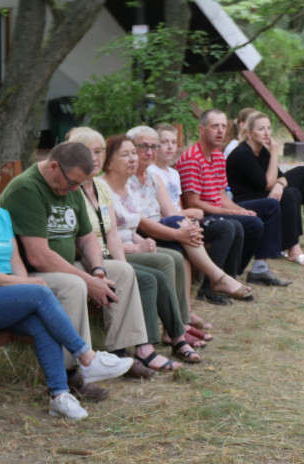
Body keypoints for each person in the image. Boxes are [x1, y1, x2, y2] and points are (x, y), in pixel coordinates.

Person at [0, 151, 133, 420]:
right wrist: (25, 285)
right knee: (39, 291)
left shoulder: (1, 216)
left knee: (41, 322)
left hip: (2, 295)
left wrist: (23, 282)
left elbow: (16, 261)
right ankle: (87, 357)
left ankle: (59, 395)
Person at [0, 141, 151, 395]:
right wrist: (87, 280)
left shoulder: (72, 185)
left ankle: (119, 355)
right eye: (71, 183)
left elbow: (87, 237)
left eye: (78, 185)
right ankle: (73, 373)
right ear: (54, 167)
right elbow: (38, 257)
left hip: (64, 265)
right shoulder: (26, 189)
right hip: (28, 275)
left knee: (121, 272)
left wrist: (98, 272)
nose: (73, 189)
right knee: (74, 285)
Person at [71, 129, 196, 369]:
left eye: (99, 152)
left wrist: (126, 265)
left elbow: (113, 234)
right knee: (149, 278)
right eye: (90, 152)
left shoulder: (100, 188)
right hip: (88, 259)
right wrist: (130, 256)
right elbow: (86, 241)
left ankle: (177, 334)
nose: (95, 158)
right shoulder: (74, 190)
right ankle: (144, 348)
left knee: (160, 270)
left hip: (111, 254)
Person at [176, 108, 291, 288]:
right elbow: (194, 203)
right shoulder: (193, 159)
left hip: (218, 210)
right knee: (246, 224)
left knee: (260, 214)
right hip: (200, 216)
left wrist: (240, 210)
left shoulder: (219, 157)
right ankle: (224, 278)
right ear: (201, 129)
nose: (221, 131)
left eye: (223, 126)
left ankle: (240, 271)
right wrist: (230, 211)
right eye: (215, 126)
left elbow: (221, 196)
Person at [148, 123, 253, 308]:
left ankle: (229, 279)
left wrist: (188, 214)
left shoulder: (172, 173)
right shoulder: (151, 173)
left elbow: (177, 203)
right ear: (155, 146)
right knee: (225, 228)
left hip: (182, 219)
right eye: (164, 142)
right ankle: (209, 287)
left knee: (236, 225)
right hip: (168, 223)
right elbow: (163, 212)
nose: (170, 146)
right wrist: (188, 213)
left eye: (173, 142)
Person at [226, 110, 304, 266]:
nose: (267, 132)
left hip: (263, 194)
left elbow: (278, 176)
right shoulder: (242, 154)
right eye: (261, 129)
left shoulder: (262, 150)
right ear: (249, 133)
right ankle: (295, 249)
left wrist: (279, 183)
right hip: (247, 200)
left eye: (268, 128)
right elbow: (266, 184)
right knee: (295, 183)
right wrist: (274, 156)